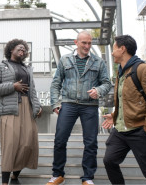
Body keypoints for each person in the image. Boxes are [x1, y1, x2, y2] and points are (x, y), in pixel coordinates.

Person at [46, 30, 112, 185]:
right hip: (68, 103)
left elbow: (106, 83)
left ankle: (88, 177)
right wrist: (55, 103)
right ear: (76, 42)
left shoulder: (98, 62)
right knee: (60, 140)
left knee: (91, 142)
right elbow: (56, 83)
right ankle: (58, 174)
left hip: (89, 106)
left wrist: (98, 90)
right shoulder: (64, 60)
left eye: (89, 43)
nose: (87, 46)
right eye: (84, 43)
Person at [102, 35, 146, 184]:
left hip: (140, 130)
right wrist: (115, 115)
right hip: (120, 130)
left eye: (114, 49)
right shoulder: (121, 72)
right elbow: (128, 99)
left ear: (122, 49)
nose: (112, 53)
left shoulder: (143, 69)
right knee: (109, 161)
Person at [0, 39, 42, 185]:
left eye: (24, 49)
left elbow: (33, 91)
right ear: (11, 49)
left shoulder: (27, 69)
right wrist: (13, 86)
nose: (22, 50)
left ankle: (15, 175)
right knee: (10, 145)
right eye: (19, 47)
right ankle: (5, 181)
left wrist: (37, 106)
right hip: (10, 109)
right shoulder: (2, 66)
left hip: (27, 108)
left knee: (28, 143)